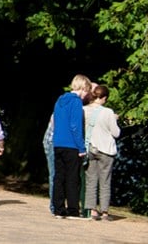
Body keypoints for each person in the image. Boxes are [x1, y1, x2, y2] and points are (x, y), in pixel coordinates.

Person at [50, 74, 89, 219]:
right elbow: (75, 126)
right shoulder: (76, 102)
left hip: (58, 143)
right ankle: (73, 209)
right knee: (73, 178)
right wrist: (81, 148)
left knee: (59, 176)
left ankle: (58, 208)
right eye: (86, 91)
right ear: (83, 88)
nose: (86, 95)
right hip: (71, 144)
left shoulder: (60, 100)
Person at [84, 84, 121, 221]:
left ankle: (92, 210)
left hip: (91, 148)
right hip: (106, 149)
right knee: (105, 181)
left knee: (91, 180)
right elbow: (116, 133)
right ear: (104, 98)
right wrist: (115, 120)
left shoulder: (84, 110)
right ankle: (104, 212)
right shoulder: (108, 112)